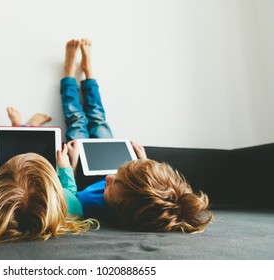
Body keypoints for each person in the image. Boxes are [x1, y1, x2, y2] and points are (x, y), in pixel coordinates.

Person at [59, 38, 213, 233]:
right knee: (98, 118)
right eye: (118, 173)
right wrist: (143, 161)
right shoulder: (137, 201)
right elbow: (156, 194)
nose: (108, 176)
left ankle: (68, 74)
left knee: (76, 119)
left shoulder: (89, 203)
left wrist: (70, 166)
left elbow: (70, 198)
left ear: (119, 210)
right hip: (106, 157)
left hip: (81, 166)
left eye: (111, 186)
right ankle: (89, 73)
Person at [0, 110, 98, 244]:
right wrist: (67, 167)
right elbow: (69, 191)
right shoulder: (70, 208)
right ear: (54, 190)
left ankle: (20, 127)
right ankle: (26, 127)